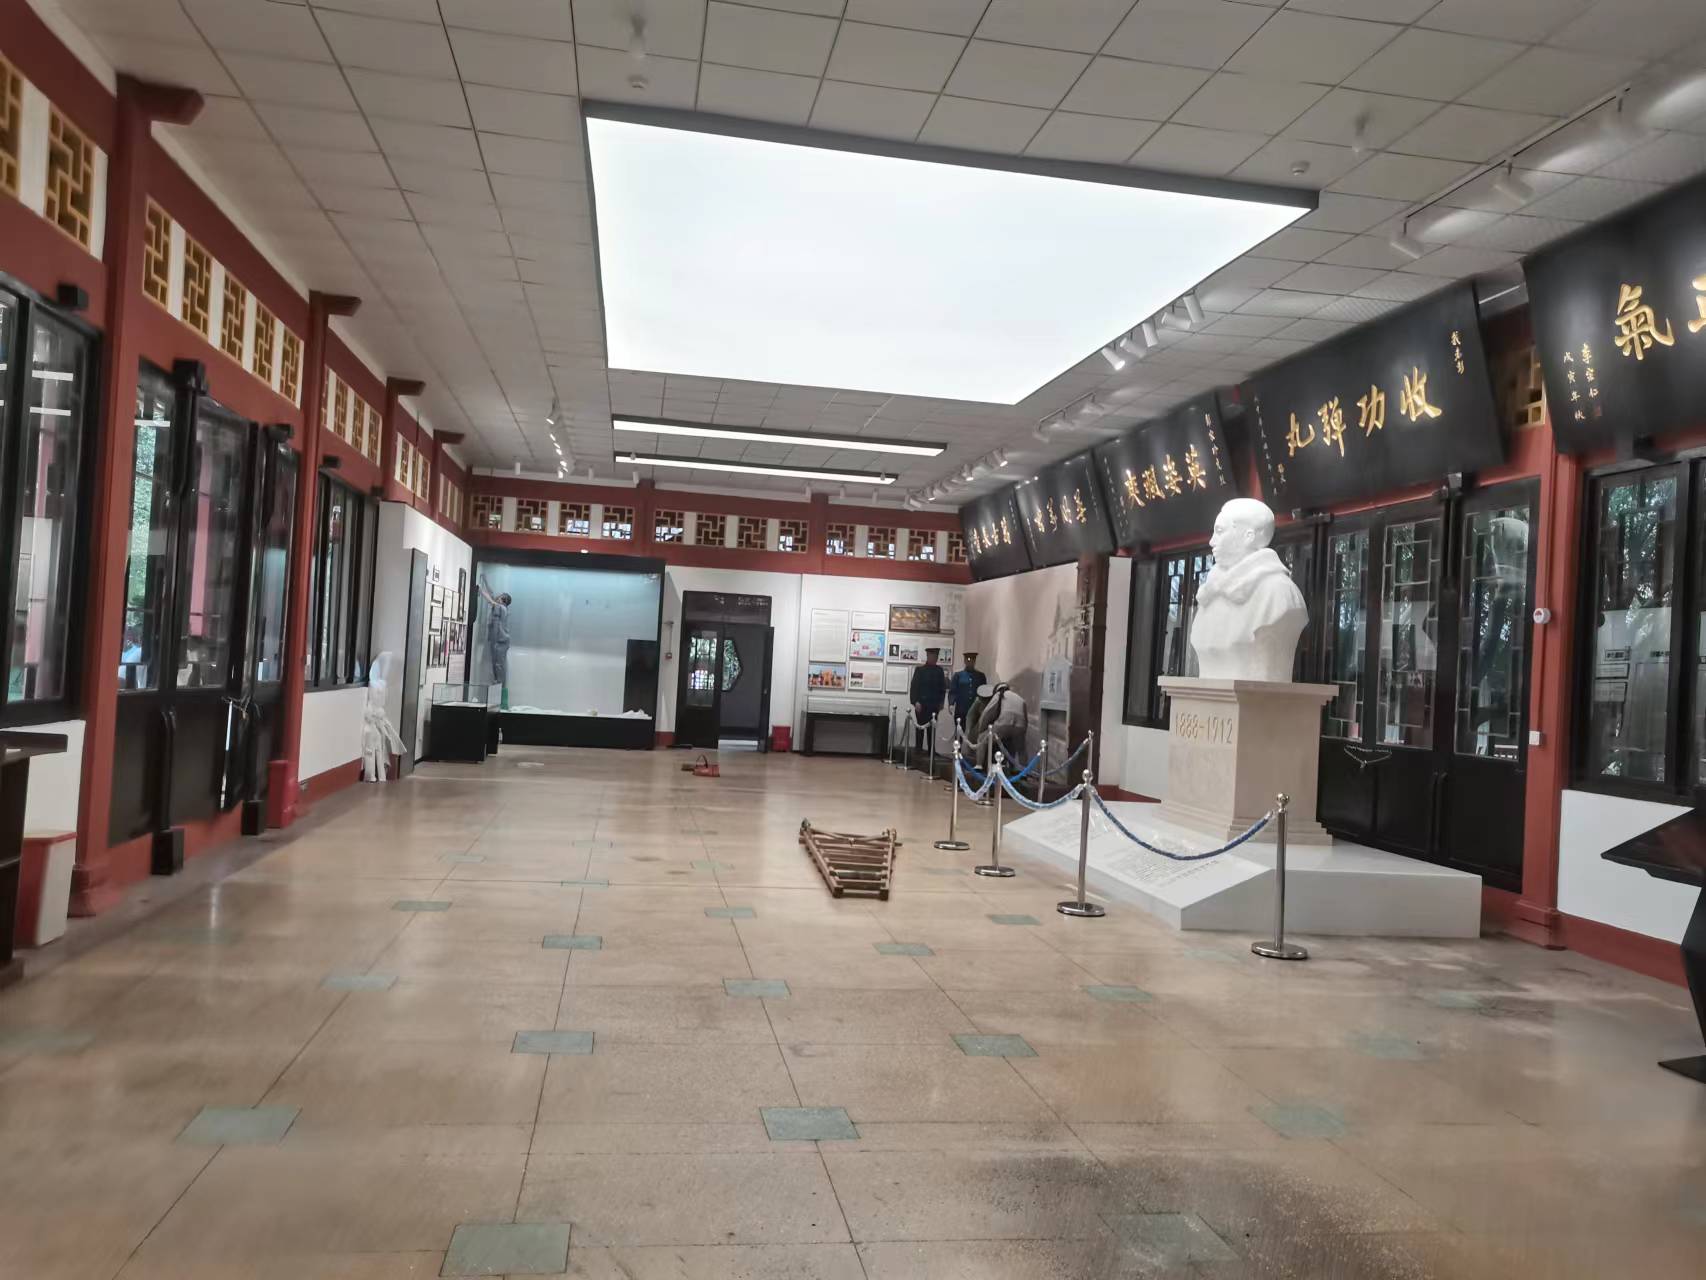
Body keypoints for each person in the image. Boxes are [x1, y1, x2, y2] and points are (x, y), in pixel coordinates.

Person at [1189, 498, 1308, 682]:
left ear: (1249, 536)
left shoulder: (1280, 593)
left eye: (1219, 531)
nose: (1212, 541)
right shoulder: (1210, 593)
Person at [975, 679, 1028, 768]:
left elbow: (987, 713)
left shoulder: (999, 695)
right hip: (1020, 726)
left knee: (982, 739)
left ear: (997, 690)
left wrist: (981, 729)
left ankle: (979, 765)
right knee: (1021, 748)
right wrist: (1022, 733)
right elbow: (1025, 719)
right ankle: (1023, 770)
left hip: (1003, 723)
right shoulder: (1020, 698)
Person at [477, 578, 512, 704]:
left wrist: (480, 590)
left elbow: (491, 600)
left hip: (501, 643)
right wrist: (485, 581)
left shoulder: (502, 608)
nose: (498, 597)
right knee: (496, 668)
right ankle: (497, 698)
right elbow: (491, 595)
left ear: (503, 600)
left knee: (499, 668)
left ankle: (502, 700)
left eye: (500, 596)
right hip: (497, 642)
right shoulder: (499, 607)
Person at [908, 647, 948, 752]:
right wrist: (915, 702)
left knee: (932, 730)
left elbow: (942, 688)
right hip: (921, 705)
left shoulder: (939, 671)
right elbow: (914, 687)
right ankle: (918, 749)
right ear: (928, 656)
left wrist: (941, 702)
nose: (934, 658)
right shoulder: (920, 670)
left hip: (934, 705)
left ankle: (931, 751)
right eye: (933, 655)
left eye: (936, 656)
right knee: (920, 728)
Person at [949, 651, 985, 729]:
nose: (970, 662)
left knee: (973, 732)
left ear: (975, 661)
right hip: (961, 709)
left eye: (972, 660)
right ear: (965, 661)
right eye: (968, 660)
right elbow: (953, 691)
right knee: (959, 731)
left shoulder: (980, 676)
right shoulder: (958, 675)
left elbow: (983, 692)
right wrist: (951, 704)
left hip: (975, 709)